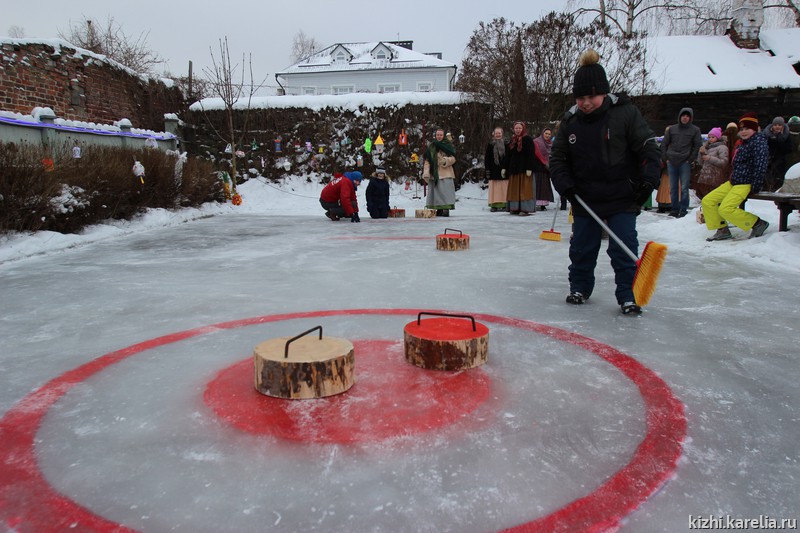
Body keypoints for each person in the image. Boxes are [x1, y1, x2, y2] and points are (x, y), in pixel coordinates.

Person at [550, 49, 661, 315]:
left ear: (604, 93)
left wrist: (649, 180)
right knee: (582, 248)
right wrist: (564, 184)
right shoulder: (571, 121)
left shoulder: (625, 114)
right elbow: (558, 158)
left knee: (624, 246)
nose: (586, 103)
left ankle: (629, 295)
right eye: (580, 98)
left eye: (591, 97)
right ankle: (579, 287)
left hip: (622, 195)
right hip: (585, 196)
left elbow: (649, 147)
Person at [702, 112, 769, 241]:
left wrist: (756, 185)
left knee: (726, 209)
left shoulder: (759, 143)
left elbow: (761, 165)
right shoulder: (743, 143)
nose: (743, 132)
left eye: (747, 129)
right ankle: (722, 229)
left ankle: (757, 223)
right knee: (708, 201)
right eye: (741, 129)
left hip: (746, 183)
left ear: (755, 129)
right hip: (734, 181)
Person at [661, 107, 702, 218]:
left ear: (690, 118)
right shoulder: (672, 129)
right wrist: (665, 158)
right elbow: (664, 143)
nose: (685, 118)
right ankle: (674, 209)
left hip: (685, 162)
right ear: (680, 116)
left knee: (684, 188)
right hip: (671, 161)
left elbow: (697, 145)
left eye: (687, 116)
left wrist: (690, 159)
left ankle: (683, 210)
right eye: (683, 115)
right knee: (673, 188)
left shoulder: (695, 130)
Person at [505, 121, 543, 216]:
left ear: (523, 129)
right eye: (516, 128)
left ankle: (525, 209)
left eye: (519, 128)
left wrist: (529, 168)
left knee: (525, 189)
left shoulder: (528, 139)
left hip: (525, 169)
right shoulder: (513, 140)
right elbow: (508, 155)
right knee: (514, 189)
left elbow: (531, 154)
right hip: (514, 169)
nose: (518, 130)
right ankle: (515, 207)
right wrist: (504, 167)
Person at [422, 128, 457, 217]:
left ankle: (446, 209)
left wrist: (445, 161)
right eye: (438, 135)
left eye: (441, 135)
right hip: (434, 174)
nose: (439, 136)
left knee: (446, 193)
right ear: (435, 136)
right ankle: (439, 209)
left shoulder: (448, 145)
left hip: (446, 173)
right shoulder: (431, 146)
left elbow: (453, 159)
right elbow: (427, 161)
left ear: (443, 136)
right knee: (436, 193)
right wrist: (426, 173)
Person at [695, 127, 729, 199]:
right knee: (703, 197)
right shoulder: (707, 147)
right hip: (705, 178)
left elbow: (723, 162)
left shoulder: (722, 147)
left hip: (715, 178)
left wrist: (710, 158)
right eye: (709, 137)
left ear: (718, 137)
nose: (710, 139)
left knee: (712, 198)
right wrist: (700, 153)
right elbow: (700, 163)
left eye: (713, 137)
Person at [763, 116, 792, 192]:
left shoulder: (786, 136)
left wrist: (779, 137)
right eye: (775, 125)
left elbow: (788, 149)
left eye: (779, 125)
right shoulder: (766, 135)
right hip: (768, 161)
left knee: (778, 180)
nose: (777, 127)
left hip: (780, 162)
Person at [484, 126, 508, 212]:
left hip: (504, 169)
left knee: (504, 188)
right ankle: (494, 205)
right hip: (493, 170)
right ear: (494, 134)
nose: (498, 135)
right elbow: (487, 158)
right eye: (496, 133)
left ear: (502, 134)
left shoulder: (506, 144)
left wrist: (506, 167)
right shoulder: (490, 145)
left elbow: (508, 157)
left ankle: (505, 204)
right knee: (495, 189)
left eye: (499, 133)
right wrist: (487, 170)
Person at [533, 127, 555, 211]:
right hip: (537, 166)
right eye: (546, 133)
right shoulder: (536, 142)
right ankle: (535, 202)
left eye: (549, 134)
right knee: (537, 185)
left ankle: (543, 204)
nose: (547, 135)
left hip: (546, 168)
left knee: (544, 187)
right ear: (543, 133)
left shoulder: (551, 144)